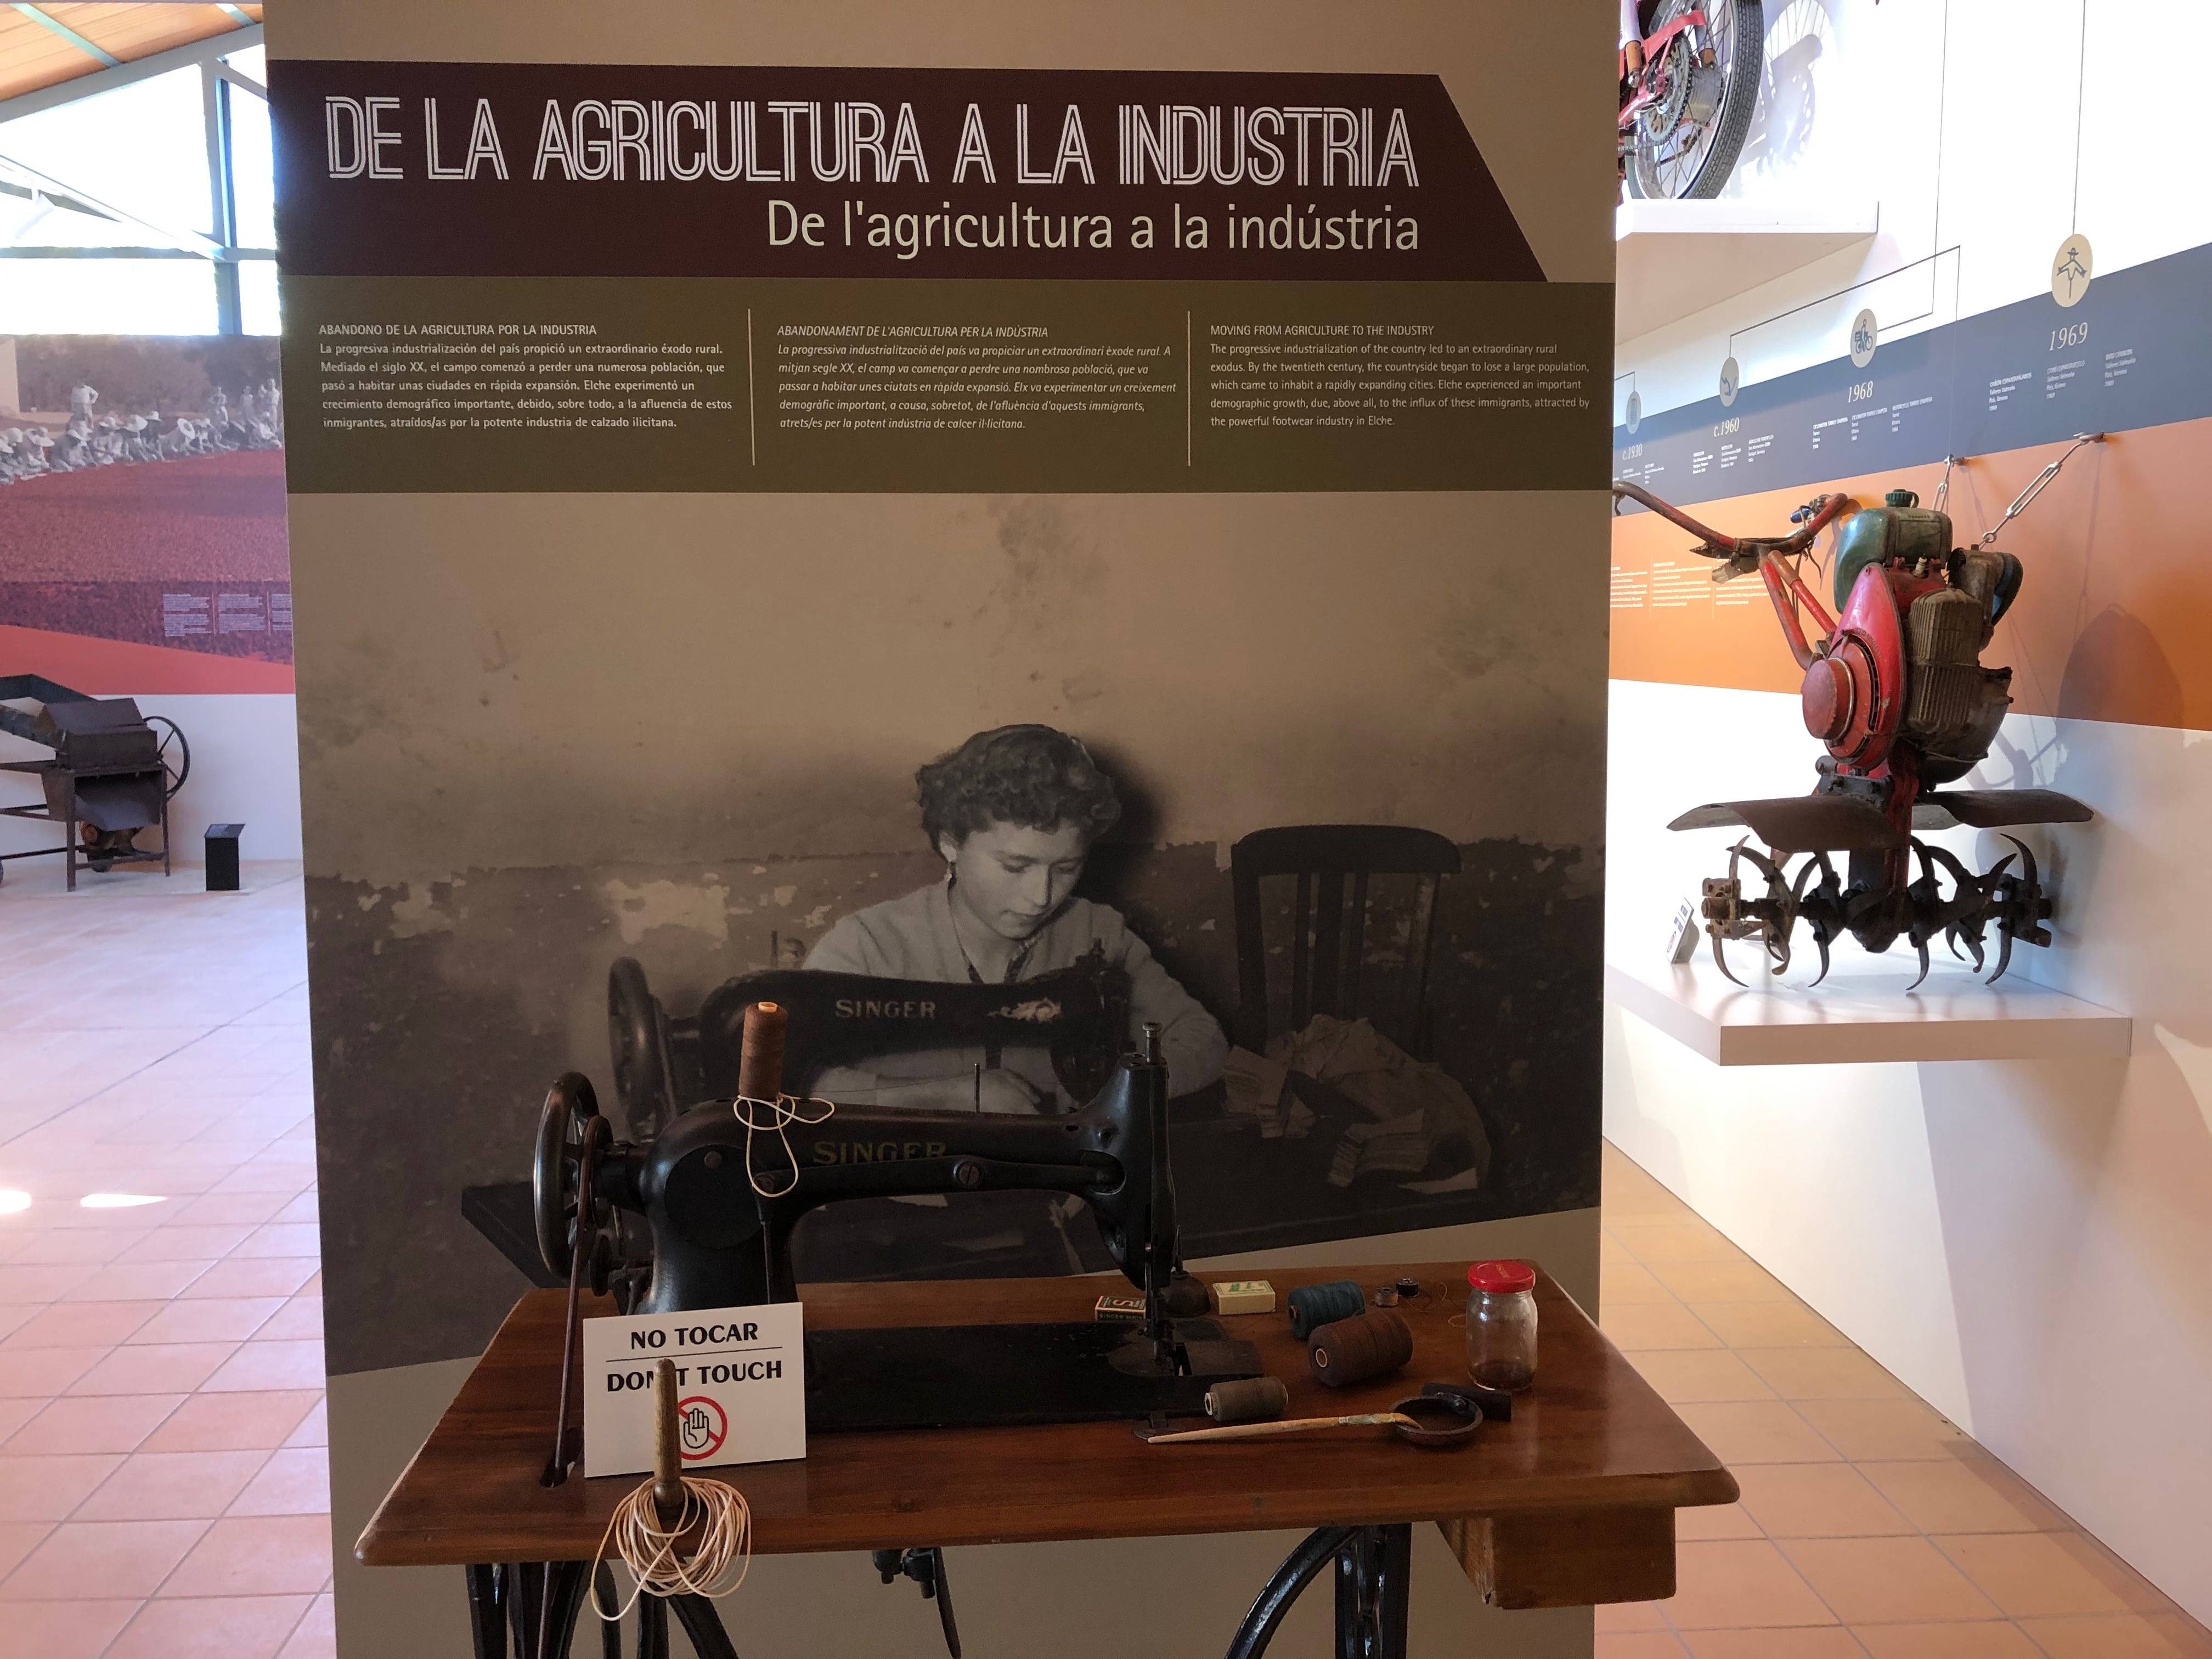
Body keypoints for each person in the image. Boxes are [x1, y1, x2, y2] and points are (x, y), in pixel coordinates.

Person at [805, 724, 1227, 1113]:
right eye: (1014, 866)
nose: (1041, 896)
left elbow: (1202, 1038)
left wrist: (1119, 1089)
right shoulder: (868, 943)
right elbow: (792, 1076)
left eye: (1066, 868)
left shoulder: (1096, 931)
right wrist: (947, 1094)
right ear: (950, 844)